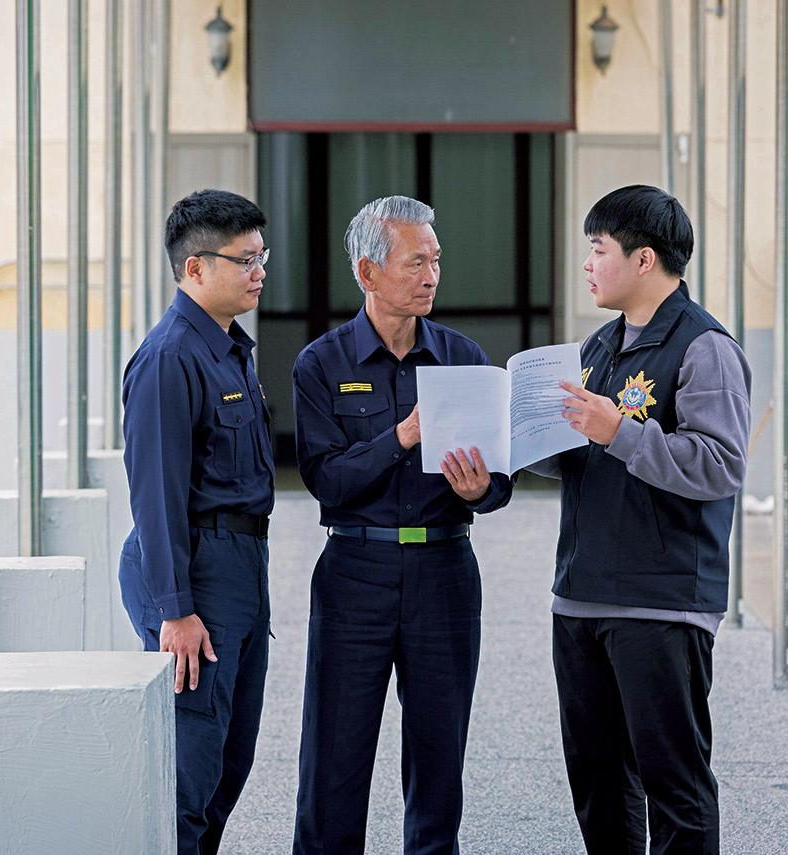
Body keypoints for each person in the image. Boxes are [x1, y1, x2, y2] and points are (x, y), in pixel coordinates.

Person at [291, 196, 512, 854]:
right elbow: (326, 479)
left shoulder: (462, 355)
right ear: (368, 272)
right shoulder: (321, 365)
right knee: (335, 755)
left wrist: (481, 491)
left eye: (436, 260)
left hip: (445, 571)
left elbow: (499, 481)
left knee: (439, 754)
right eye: (416, 261)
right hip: (354, 573)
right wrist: (404, 435)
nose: (431, 275)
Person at [545, 184, 751, 854]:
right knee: (599, 785)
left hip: (661, 602)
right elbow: (586, 455)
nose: (588, 263)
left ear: (644, 259)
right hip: (581, 598)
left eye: (598, 249)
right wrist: (515, 450)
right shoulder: (600, 346)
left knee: (674, 785)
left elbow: (719, 465)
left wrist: (617, 432)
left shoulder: (704, 347)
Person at [118, 189, 275, 854]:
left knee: (227, 763)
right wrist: (176, 610)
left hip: (239, 565)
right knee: (192, 769)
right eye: (244, 259)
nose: (259, 271)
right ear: (195, 269)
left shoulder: (228, 348)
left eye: (262, 256)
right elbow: (154, 497)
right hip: (197, 569)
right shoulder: (170, 356)